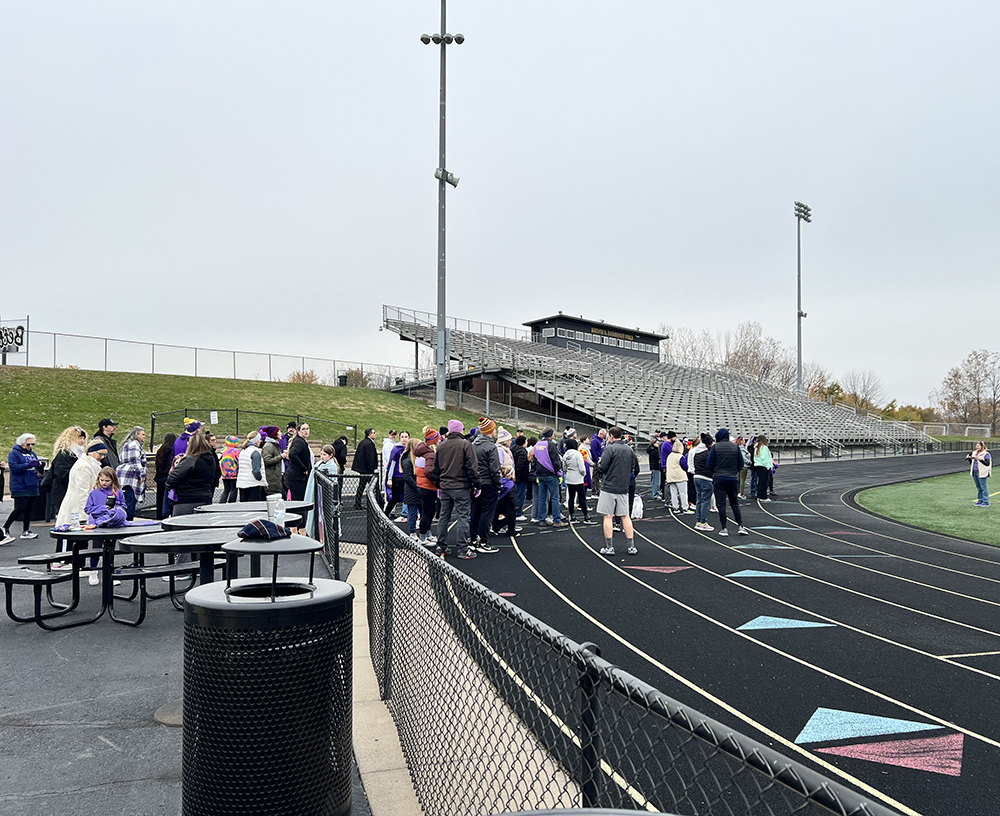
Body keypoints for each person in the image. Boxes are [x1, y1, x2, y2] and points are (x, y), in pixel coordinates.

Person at [431, 419, 481, 559]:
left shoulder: (441, 446)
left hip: (446, 486)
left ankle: (441, 545)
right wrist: (477, 485)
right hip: (461, 486)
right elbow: (472, 467)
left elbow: (436, 469)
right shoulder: (465, 445)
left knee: (444, 516)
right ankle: (462, 549)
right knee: (463, 517)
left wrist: (439, 484)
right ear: (460, 430)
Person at [597, 427, 639, 556]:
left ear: (611, 436)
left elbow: (602, 467)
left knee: (608, 516)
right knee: (625, 516)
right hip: (623, 487)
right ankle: (631, 546)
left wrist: (599, 465)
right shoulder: (629, 450)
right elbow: (636, 468)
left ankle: (609, 546)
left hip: (609, 487)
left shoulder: (609, 449)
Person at [83, 466, 128, 586]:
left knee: (110, 548)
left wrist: (116, 510)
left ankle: (110, 572)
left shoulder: (118, 491)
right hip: (96, 524)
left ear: (113, 480)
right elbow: (88, 509)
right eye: (102, 480)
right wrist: (103, 508)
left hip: (112, 524)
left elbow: (123, 505)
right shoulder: (94, 492)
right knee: (96, 548)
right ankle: (93, 571)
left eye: (107, 481)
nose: (104, 483)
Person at [56, 439, 108, 532]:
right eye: (100, 454)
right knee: (74, 541)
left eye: (104, 455)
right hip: (76, 511)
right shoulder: (84, 467)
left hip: (80, 508)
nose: (102, 457)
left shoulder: (90, 464)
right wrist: (83, 517)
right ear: (91, 452)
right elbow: (82, 493)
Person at [3, 433, 45, 542]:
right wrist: (28, 465)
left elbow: (38, 471)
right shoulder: (14, 453)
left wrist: (40, 466)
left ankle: (26, 530)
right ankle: (5, 527)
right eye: (28, 444)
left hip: (32, 484)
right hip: (20, 485)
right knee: (20, 508)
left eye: (32, 444)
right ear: (22, 444)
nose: (30, 446)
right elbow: (14, 467)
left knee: (29, 509)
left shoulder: (32, 454)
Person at [166, 431, 220, 516]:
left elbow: (173, 477)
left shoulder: (190, 460)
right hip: (205, 496)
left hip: (186, 498)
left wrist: (169, 485)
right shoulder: (210, 460)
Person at [707, 427, 749, 537]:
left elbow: (709, 464)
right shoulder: (735, 447)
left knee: (721, 504)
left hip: (719, 478)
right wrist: (734, 471)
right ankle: (740, 526)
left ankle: (724, 527)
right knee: (734, 502)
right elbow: (741, 463)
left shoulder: (715, 447)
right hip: (732, 478)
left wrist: (714, 472)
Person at [469, 417, 502, 553]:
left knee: (475, 511)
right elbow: (495, 469)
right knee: (487, 513)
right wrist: (498, 485)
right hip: (488, 483)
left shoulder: (472, 446)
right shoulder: (491, 447)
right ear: (491, 431)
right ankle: (483, 541)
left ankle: (472, 539)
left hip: (475, 483)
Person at [48, 427, 87, 522]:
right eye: (79, 438)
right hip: (63, 491)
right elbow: (62, 474)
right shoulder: (64, 454)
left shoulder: (80, 454)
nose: (82, 441)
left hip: (73, 489)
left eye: (83, 438)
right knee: (65, 519)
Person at [532, 429, 567, 527]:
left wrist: (535, 472)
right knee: (555, 497)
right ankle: (557, 520)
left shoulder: (537, 445)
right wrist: (558, 472)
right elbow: (556, 460)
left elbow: (534, 460)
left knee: (542, 498)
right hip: (551, 474)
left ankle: (541, 519)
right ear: (550, 435)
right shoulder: (551, 444)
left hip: (540, 474)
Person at [304, 444, 340, 538]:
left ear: (331, 455)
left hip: (327, 496)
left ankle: (329, 537)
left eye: (324, 454)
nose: (322, 457)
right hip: (318, 494)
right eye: (321, 454)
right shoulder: (319, 464)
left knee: (327, 517)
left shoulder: (332, 466)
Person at [413, 427, 440, 547]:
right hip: (428, 487)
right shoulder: (431, 455)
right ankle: (423, 537)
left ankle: (427, 534)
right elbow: (429, 472)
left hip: (422, 485)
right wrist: (437, 481)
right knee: (427, 512)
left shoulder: (423, 453)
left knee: (429, 511)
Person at [115, 426, 147, 520]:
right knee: (130, 500)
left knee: (124, 499)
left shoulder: (127, 444)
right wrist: (142, 474)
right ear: (137, 435)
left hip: (123, 475)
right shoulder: (134, 444)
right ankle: (128, 521)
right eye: (143, 434)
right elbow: (135, 460)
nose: (144, 437)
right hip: (130, 476)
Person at [562, 438, 593, 523]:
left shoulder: (565, 455)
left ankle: (572, 516)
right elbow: (582, 468)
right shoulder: (577, 454)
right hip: (578, 478)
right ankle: (586, 516)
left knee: (571, 498)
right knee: (582, 497)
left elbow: (564, 467)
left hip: (569, 478)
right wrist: (583, 474)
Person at [383, 431, 410, 520]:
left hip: (408, 477)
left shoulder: (411, 449)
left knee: (410, 498)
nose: (404, 439)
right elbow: (392, 464)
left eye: (406, 437)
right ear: (400, 438)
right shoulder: (396, 449)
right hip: (397, 477)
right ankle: (385, 515)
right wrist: (389, 478)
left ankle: (408, 515)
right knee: (394, 498)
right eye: (402, 437)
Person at [691, 433, 715, 531]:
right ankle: (703, 522)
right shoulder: (709, 453)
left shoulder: (696, 452)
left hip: (696, 476)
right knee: (705, 501)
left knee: (699, 500)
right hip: (706, 478)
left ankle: (699, 521)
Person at [400, 437, 422, 538]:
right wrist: (418, 487)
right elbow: (407, 477)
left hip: (419, 489)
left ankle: (424, 532)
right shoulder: (407, 460)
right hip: (412, 490)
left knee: (423, 512)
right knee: (412, 512)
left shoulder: (417, 459)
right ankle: (412, 532)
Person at [285, 422, 314, 503]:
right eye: (303, 429)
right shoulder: (299, 442)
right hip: (298, 478)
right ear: (298, 431)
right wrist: (303, 468)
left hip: (297, 478)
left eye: (307, 429)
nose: (306, 431)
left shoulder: (301, 441)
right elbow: (292, 454)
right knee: (299, 502)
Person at [236, 431, 267, 502]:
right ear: (256, 441)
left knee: (245, 507)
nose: (260, 441)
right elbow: (256, 470)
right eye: (259, 439)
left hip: (242, 483)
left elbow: (238, 468)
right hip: (253, 484)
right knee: (255, 506)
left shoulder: (243, 451)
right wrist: (260, 479)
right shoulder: (255, 452)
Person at [353, 428, 379, 509]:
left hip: (362, 469)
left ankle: (357, 503)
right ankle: (379, 503)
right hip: (367, 470)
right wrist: (372, 469)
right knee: (375, 486)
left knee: (361, 486)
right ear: (369, 434)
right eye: (373, 433)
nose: (375, 434)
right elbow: (370, 458)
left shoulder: (363, 442)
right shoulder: (369, 444)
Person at [153, 433, 178, 519]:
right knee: (168, 500)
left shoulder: (160, 451)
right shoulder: (171, 451)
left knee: (159, 500)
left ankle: (159, 516)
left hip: (159, 477)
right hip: (167, 478)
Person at [665, 441, 690, 514]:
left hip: (671, 477)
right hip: (680, 477)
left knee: (674, 493)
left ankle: (675, 507)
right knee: (683, 493)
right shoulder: (680, 456)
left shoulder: (670, 455)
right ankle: (685, 508)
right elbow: (684, 466)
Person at [260, 426, 283, 495]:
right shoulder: (269, 446)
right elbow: (267, 461)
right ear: (274, 434)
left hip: (277, 479)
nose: (281, 433)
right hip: (271, 480)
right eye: (279, 432)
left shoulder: (275, 445)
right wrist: (281, 456)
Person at [968, 441, 992, 507]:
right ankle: (980, 500)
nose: (977, 447)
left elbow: (987, 464)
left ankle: (986, 502)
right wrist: (969, 458)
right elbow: (972, 463)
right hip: (975, 471)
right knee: (978, 487)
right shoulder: (974, 453)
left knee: (983, 487)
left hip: (982, 472)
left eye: (978, 446)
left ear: (982, 446)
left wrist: (980, 459)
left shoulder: (986, 454)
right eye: (976, 445)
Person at [512, 435, 530, 521]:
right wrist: (519, 476)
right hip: (521, 477)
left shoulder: (513, 449)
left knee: (515, 495)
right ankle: (518, 513)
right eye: (526, 441)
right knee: (520, 495)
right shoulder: (522, 452)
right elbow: (520, 465)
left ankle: (515, 511)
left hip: (514, 477)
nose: (527, 443)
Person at [219, 435, 242, 503]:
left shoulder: (223, 450)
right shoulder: (235, 451)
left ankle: (222, 502)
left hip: (224, 473)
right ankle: (231, 503)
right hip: (233, 473)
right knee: (233, 490)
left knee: (226, 489)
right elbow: (238, 461)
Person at [752, 435, 773, 501]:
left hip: (758, 466)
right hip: (764, 466)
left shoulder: (756, 447)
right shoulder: (764, 448)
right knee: (764, 482)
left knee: (761, 481)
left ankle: (759, 495)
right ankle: (763, 497)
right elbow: (765, 458)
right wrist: (768, 466)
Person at [646, 434, 663, 501]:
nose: (658, 443)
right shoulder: (654, 451)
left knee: (655, 481)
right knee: (656, 481)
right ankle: (655, 493)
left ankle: (656, 492)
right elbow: (658, 457)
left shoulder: (652, 450)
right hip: (655, 467)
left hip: (654, 467)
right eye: (656, 442)